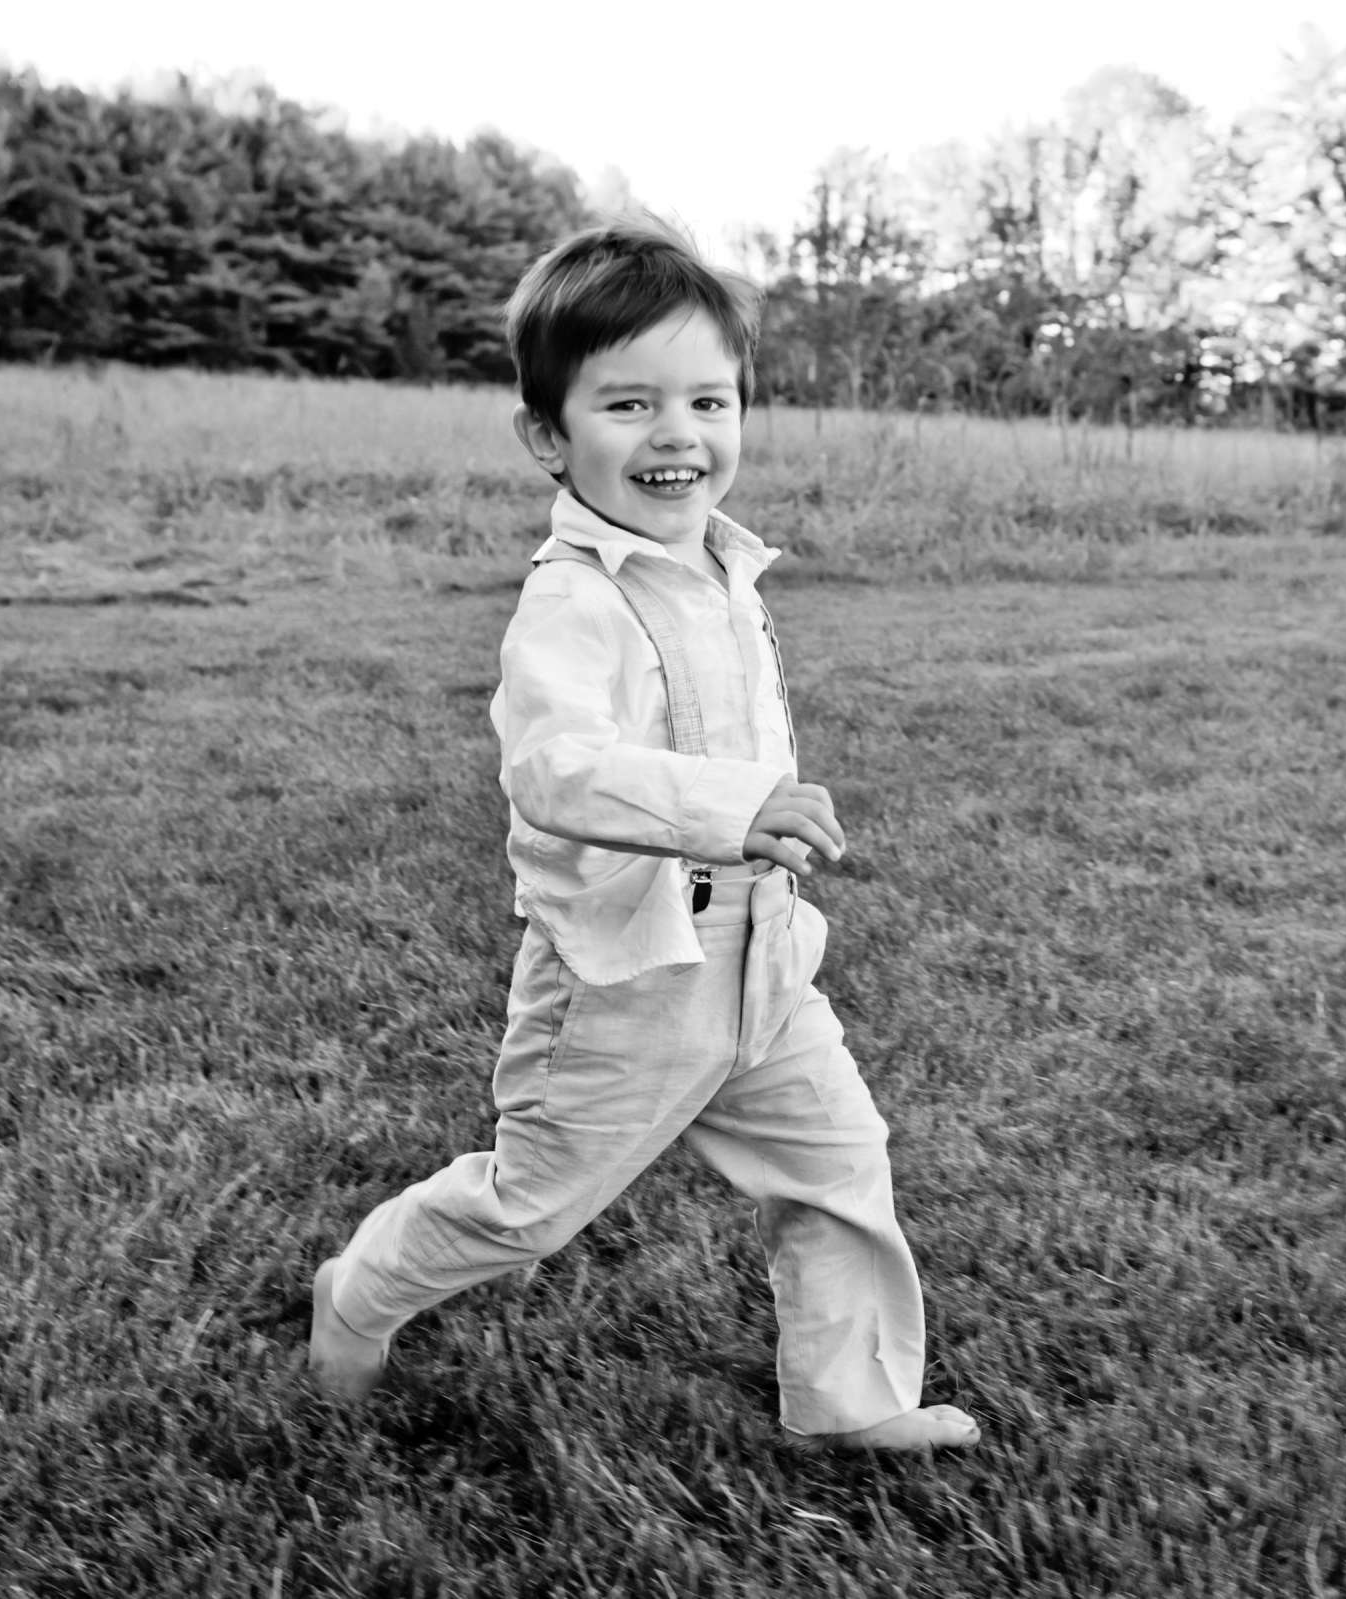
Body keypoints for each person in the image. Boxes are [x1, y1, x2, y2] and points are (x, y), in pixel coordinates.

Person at [307, 218, 980, 1452]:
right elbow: (556, 767)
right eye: (628, 404)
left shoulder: (728, 570)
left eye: (708, 401)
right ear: (549, 438)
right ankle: (359, 1291)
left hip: (766, 966)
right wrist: (734, 811)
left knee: (838, 1171)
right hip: (630, 976)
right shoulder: (572, 601)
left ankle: (848, 1406)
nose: (678, 435)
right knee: (528, 1209)